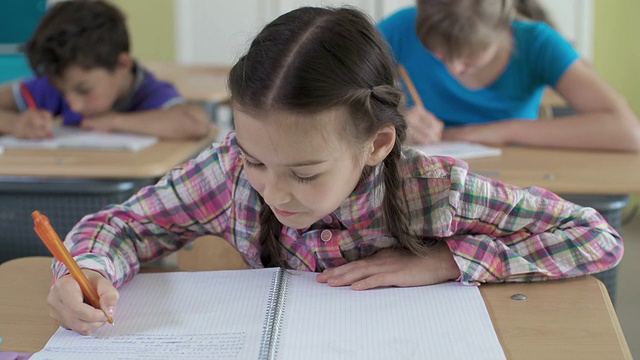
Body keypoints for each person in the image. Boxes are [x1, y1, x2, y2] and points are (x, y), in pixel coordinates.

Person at [46, 6, 622, 335]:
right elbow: (125, 225)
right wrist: (86, 269)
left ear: (376, 144)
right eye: (256, 160)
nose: (273, 190)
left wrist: (451, 259)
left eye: (303, 172)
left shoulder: (435, 189)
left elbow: (595, 236)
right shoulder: (227, 172)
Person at [378, 0, 640, 151]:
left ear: (504, 30)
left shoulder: (537, 43)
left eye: (471, 59)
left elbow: (628, 132)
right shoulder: (402, 27)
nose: (454, 69)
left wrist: (499, 132)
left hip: (512, 186)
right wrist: (393, 122)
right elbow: (339, 90)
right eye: (441, 55)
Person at [0, 0, 211, 140]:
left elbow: (194, 123)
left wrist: (114, 121)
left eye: (84, 90)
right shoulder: (59, 82)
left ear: (122, 65)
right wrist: (15, 124)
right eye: (63, 91)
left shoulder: (149, 92)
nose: (72, 103)